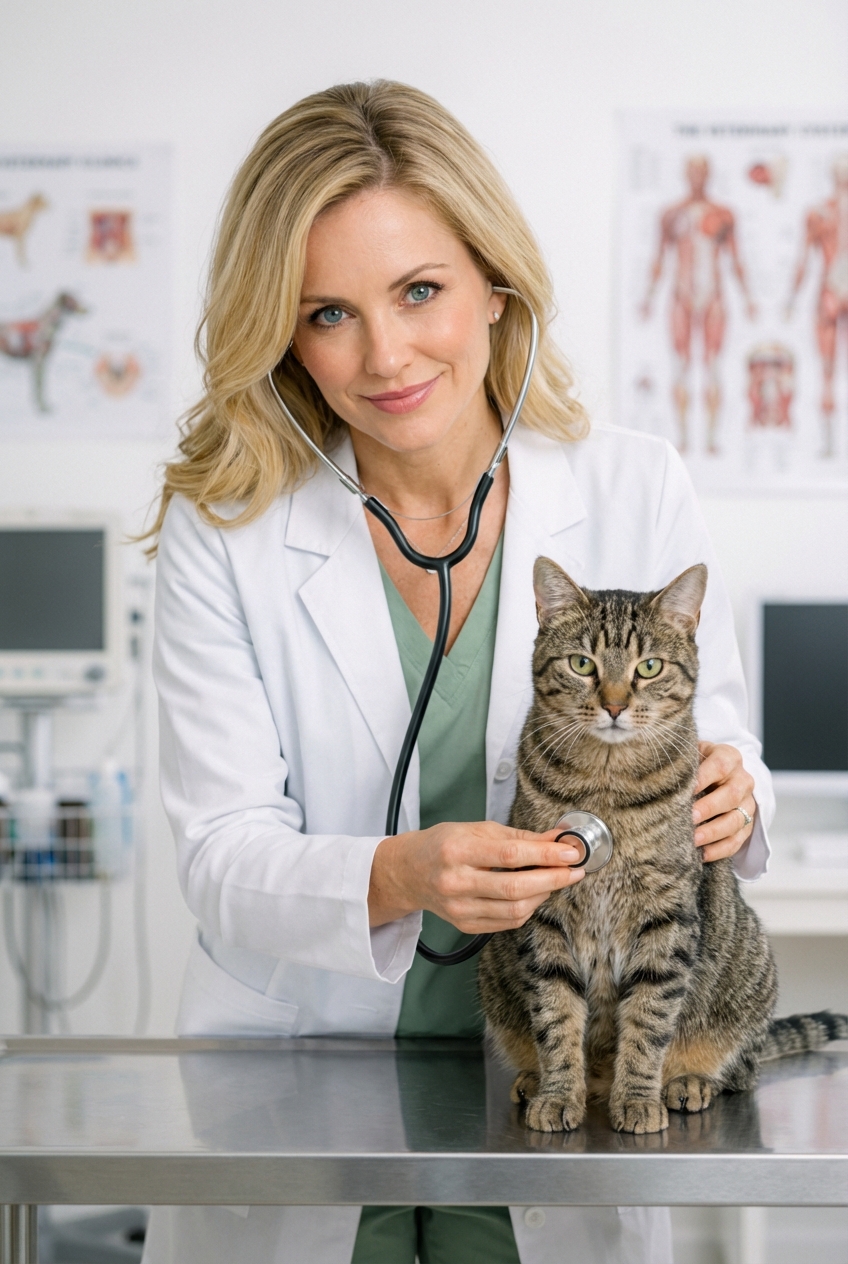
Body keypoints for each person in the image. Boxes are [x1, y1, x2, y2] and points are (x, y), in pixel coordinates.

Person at [143, 81, 772, 1264]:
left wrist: (739, 798)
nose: (383, 355)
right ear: (276, 328)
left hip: (560, 1095)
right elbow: (221, 855)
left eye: (418, 291)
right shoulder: (224, 523)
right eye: (325, 312)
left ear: (494, 284)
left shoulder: (634, 483)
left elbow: (721, 750)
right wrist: (393, 874)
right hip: (306, 1088)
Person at [640, 155, 757, 456]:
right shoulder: (671, 215)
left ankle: (710, 439)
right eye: (692, 171)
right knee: (680, 366)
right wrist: (648, 298)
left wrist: (748, 299)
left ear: (709, 174)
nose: (697, 177)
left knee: (713, 366)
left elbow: (736, 259)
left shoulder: (723, 215)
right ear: (685, 173)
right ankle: (681, 438)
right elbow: (660, 259)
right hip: (680, 294)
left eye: (702, 171)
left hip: (713, 295)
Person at [786, 153, 848, 458]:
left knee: (828, 371)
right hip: (828, 293)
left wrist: (791, 300)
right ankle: (830, 444)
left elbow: (803, 263)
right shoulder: (819, 213)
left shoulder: (821, 213)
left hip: (829, 292)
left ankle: (831, 445)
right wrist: (791, 299)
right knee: (826, 371)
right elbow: (804, 261)